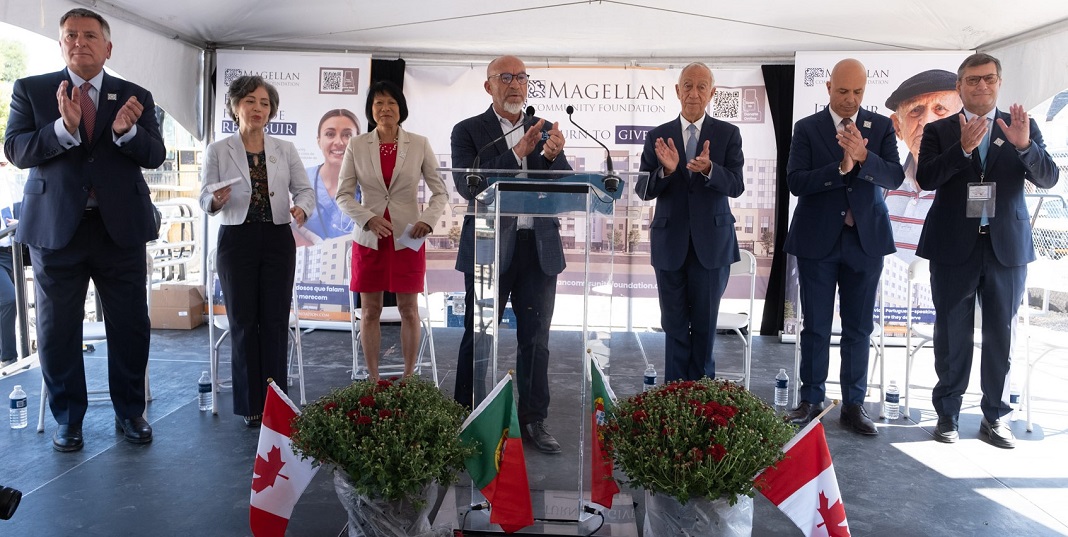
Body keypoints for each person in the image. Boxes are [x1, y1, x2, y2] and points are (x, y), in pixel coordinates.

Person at [3, 8, 165, 452]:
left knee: (130, 326)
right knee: (57, 331)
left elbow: (155, 155)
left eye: (90, 35)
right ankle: (68, 420)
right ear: (61, 45)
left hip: (120, 231)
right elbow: (16, 149)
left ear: (107, 47)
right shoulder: (32, 90)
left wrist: (126, 133)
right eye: (70, 35)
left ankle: (131, 412)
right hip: (57, 231)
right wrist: (63, 128)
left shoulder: (136, 95)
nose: (80, 42)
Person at [916, 53, 1059, 449]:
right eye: (973, 80)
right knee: (951, 334)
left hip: (1005, 249)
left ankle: (995, 417)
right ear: (959, 86)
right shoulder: (940, 130)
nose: (982, 86)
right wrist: (960, 150)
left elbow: (1048, 177)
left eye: (989, 79)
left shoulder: (1020, 125)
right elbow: (926, 177)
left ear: (999, 82)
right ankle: (947, 414)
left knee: (1001, 334)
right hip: (952, 247)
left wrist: (1026, 145)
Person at [451, 55, 570, 454]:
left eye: (521, 77)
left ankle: (533, 420)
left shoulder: (545, 127)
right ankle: (467, 417)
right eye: (506, 77)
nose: (516, 84)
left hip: (537, 249)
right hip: (488, 246)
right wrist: (517, 152)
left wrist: (553, 157)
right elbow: (470, 185)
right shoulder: (468, 131)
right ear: (489, 86)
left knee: (536, 339)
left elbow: (566, 187)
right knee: (479, 334)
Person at [783, 58, 904, 436]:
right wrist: (839, 168)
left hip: (864, 241)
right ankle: (811, 399)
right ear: (828, 88)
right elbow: (796, 182)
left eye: (857, 92)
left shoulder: (881, 126)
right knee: (816, 326)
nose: (850, 100)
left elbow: (894, 177)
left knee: (858, 328)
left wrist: (864, 157)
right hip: (818, 239)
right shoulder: (807, 129)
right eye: (842, 91)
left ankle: (853, 405)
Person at [199, 75, 314, 427]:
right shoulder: (219, 150)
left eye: (265, 103)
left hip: (278, 239)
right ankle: (251, 405)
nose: (258, 108)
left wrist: (302, 209)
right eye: (250, 101)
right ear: (236, 106)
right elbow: (204, 196)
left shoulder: (285, 149)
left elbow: (305, 191)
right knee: (244, 322)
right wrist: (215, 200)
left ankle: (277, 404)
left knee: (276, 321)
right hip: (237, 240)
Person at [635, 62, 745, 382]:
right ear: (677, 91)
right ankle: (675, 399)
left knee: (705, 329)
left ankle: (702, 402)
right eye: (687, 85)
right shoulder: (658, 136)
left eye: (701, 86)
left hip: (712, 245)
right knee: (674, 327)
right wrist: (667, 171)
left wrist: (710, 169)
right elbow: (643, 189)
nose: (693, 93)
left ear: (712, 93)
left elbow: (736, 185)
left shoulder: (727, 134)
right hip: (670, 245)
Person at [335, 81, 448, 380]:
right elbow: (343, 195)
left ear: (401, 109)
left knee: (409, 310)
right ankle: (372, 379)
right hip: (370, 240)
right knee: (369, 312)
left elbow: (440, 192)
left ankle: (409, 378)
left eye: (391, 103)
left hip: (408, 238)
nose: (385, 109)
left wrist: (428, 219)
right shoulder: (357, 145)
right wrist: (367, 217)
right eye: (378, 104)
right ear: (371, 111)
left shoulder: (419, 143)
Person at [883, 69, 962, 263]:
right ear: (897, 127)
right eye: (915, 110)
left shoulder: (973, 187)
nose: (926, 122)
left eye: (940, 109)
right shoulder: (881, 187)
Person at [295, 109, 361, 246]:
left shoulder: (368, 185)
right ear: (319, 141)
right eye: (330, 134)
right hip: (308, 263)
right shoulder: (300, 179)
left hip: (352, 264)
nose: (339, 142)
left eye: (347, 135)